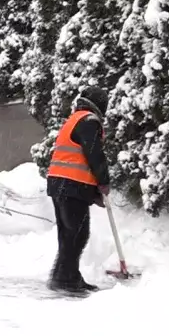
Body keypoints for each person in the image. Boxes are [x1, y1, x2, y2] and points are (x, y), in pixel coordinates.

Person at [46, 87, 111, 294]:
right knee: (77, 234)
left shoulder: (74, 119)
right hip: (72, 184)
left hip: (59, 183)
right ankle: (65, 278)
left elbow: (76, 156)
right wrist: (103, 181)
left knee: (68, 234)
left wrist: (94, 193)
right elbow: (93, 153)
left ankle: (64, 275)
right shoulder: (89, 121)